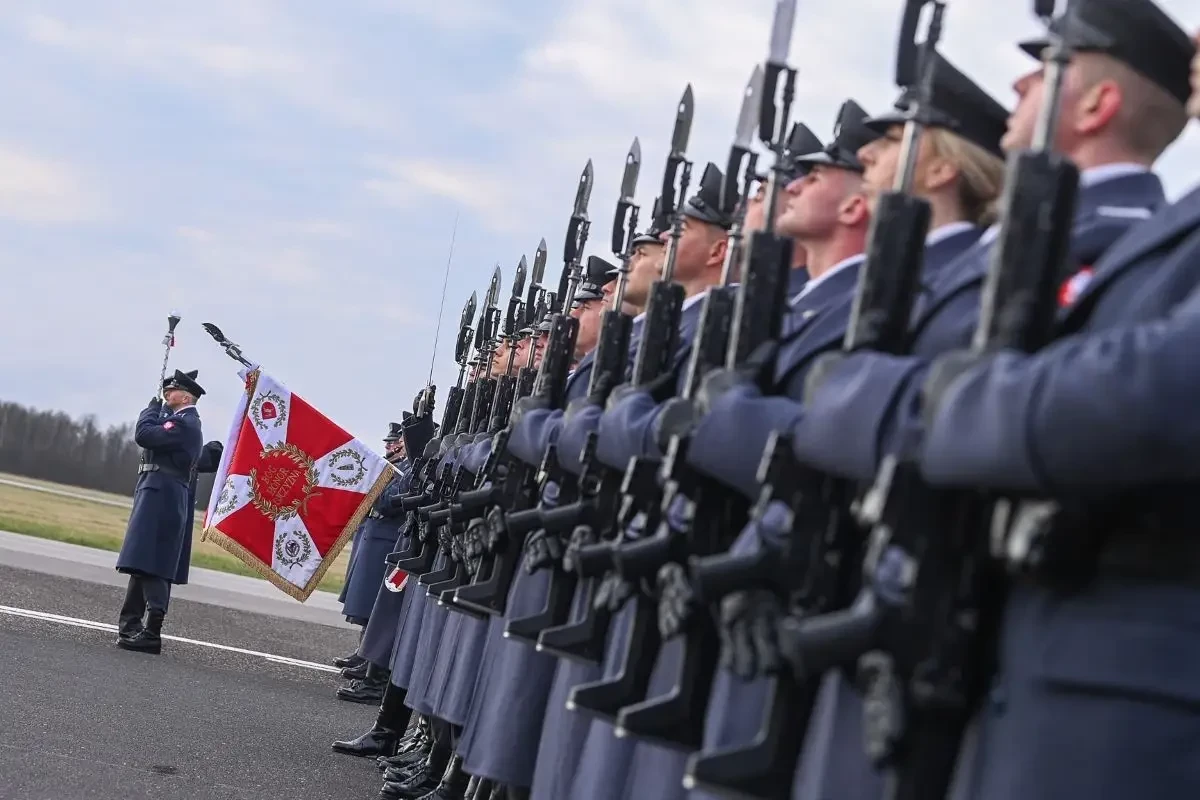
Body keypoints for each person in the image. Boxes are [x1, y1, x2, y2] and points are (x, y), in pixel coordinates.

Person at [910, 8, 1200, 799]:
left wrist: (952, 404)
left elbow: (1158, 392)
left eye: (1045, 68)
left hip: (1131, 702)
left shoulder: (1123, 229)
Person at [115, 368, 206, 654]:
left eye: (173, 390)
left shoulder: (185, 423)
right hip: (155, 490)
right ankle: (130, 626)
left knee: (154, 560)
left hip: (163, 495)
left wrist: (151, 408)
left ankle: (152, 631)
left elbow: (144, 434)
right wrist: (160, 410)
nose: (167, 393)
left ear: (186, 397)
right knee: (142, 558)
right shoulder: (177, 420)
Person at [337, 422, 410, 704]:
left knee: (378, 608)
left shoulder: (408, 467)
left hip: (389, 538)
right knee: (368, 605)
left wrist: (374, 483)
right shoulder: (398, 464)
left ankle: (374, 672)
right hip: (377, 534)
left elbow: (387, 502)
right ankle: (366, 659)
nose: (393, 445)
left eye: (397, 441)